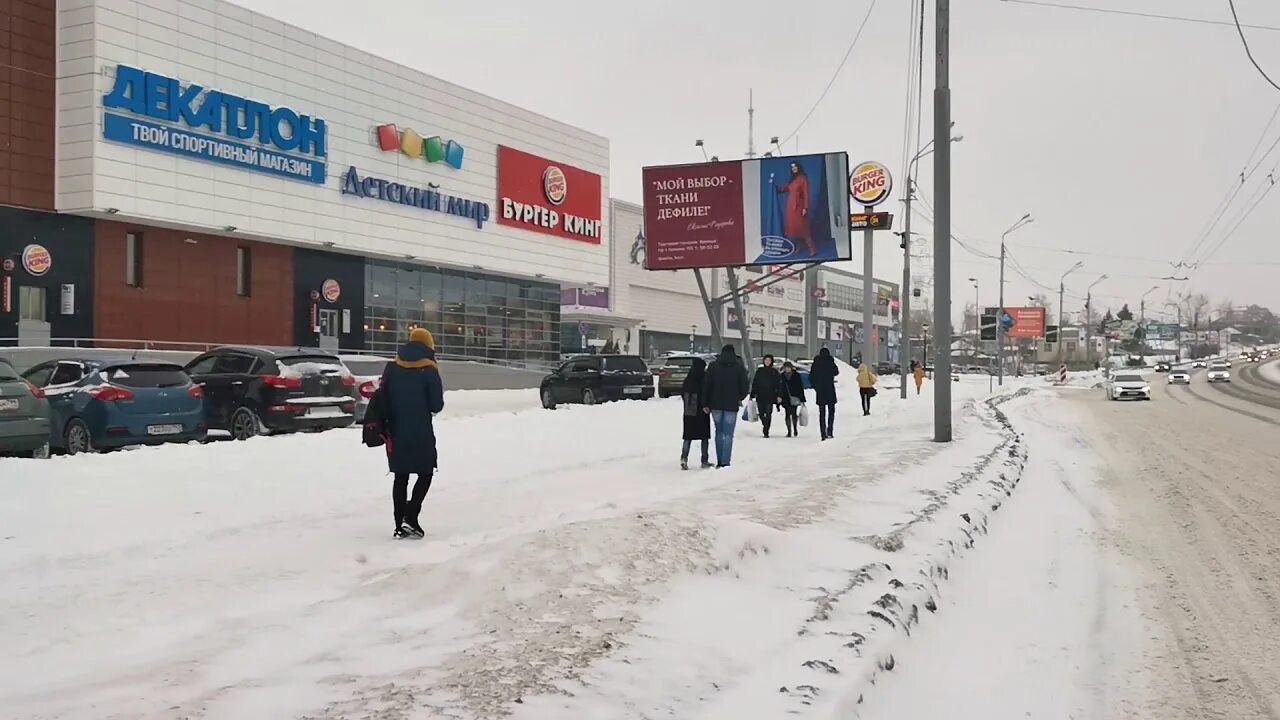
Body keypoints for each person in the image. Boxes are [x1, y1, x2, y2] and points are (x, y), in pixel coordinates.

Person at [382, 327, 445, 539]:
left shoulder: (392, 367)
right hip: (420, 431)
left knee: (401, 476)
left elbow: (384, 396)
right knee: (425, 471)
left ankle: (399, 524)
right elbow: (436, 405)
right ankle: (412, 514)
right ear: (429, 345)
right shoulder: (429, 369)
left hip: (396, 429)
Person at [701, 344, 749, 468]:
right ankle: (725, 461)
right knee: (728, 434)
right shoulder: (739, 368)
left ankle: (719, 459)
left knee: (719, 432)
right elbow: (745, 387)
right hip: (731, 405)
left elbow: (707, 386)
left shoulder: (713, 366)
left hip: (715, 404)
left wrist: (706, 403)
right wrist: (739, 397)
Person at [775, 162, 817, 256]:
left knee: (802, 227)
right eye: (792, 167)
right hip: (790, 207)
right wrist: (775, 188)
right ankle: (799, 245)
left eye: (795, 166)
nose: (794, 168)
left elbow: (806, 193)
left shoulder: (803, 178)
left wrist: (805, 207)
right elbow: (786, 188)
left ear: (799, 167)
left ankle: (812, 248)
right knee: (794, 228)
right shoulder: (792, 180)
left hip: (799, 206)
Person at [679, 356, 712, 470]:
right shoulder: (704, 378)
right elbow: (706, 393)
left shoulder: (688, 379)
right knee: (704, 437)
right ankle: (704, 460)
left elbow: (683, 394)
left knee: (687, 437)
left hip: (689, 412)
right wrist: (707, 406)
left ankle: (684, 458)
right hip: (702, 411)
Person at [808, 347, 839, 440]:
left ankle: (822, 432)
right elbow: (836, 372)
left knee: (822, 413)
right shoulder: (830, 361)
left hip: (820, 391)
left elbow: (811, 377)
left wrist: (816, 387)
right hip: (829, 389)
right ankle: (830, 431)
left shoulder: (816, 363)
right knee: (831, 411)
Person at [749, 354, 783, 438]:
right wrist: (752, 394)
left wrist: (779, 395)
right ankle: (765, 424)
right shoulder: (759, 371)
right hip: (760, 395)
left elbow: (778, 385)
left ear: (771, 362)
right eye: (766, 360)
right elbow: (755, 383)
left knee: (768, 413)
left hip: (770, 396)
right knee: (761, 413)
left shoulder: (774, 372)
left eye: (769, 360)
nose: (767, 362)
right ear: (764, 361)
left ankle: (766, 430)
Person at [780, 361, 806, 437]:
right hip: (785, 398)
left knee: (794, 413)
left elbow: (800, 387)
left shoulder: (796, 375)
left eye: (788, 367)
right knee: (787, 413)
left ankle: (795, 428)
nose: (787, 369)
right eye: (785, 368)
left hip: (795, 397)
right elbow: (780, 387)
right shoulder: (782, 376)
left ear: (791, 368)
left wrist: (802, 399)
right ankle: (789, 431)